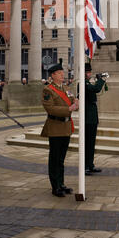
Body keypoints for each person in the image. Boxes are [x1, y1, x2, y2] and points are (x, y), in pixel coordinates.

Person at [40, 62, 79, 197]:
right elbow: (50, 108)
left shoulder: (66, 88)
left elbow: (73, 102)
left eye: (63, 73)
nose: (63, 75)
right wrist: (68, 109)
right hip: (56, 127)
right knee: (55, 158)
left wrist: (76, 103)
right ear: (53, 75)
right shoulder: (48, 90)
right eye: (60, 73)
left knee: (61, 158)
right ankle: (55, 186)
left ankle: (61, 183)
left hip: (66, 126)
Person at [84, 62, 106, 176]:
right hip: (87, 118)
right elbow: (96, 89)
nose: (89, 74)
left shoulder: (87, 82)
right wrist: (101, 80)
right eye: (88, 72)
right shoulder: (83, 84)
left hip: (92, 117)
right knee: (87, 143)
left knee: (91, 143)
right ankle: (86, 166)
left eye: (89, 72)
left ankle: (90, 164)